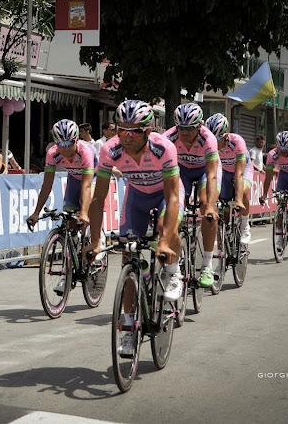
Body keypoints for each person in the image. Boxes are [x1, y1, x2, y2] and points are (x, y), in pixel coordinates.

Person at [83, 100, 184, 356]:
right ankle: (128, 330)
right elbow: (98, 197)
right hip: (137, 197)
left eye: (134, 131)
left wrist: (164, 240)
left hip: (165, 195)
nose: (127, 137)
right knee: (130, 257)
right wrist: (96, 241)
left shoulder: (164, 148)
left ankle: (172, 271)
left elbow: (173, 198)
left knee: (166, 227)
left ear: (148, 130)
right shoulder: (110, 150)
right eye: (121, 130)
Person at [26, 119, 98, 295]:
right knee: (69, 219)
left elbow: (86, 187)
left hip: (93, 176)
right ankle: (69, 271)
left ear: (76, 140)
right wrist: (36, 213)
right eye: (60, 144)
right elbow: (47, 185)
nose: (65, 148)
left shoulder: (85, 152)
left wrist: (84, 213)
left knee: (86, 209)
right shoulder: (52, 153)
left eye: (69, 143)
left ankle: (96, 244)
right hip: (74, 177)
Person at [163, 103, 221, 289]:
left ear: (199, 126)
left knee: (206, 205)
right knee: (173, 209)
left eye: (189, 128)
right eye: (181, 128)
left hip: (205, 172)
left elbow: (212, 174)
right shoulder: (169, 137)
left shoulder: (208, 139)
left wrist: (211, 205)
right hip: (182, 172)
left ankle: (206, 264)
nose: (184, 133)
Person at [205, 114, 253, 245]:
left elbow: (239, 174)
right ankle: (222, 254)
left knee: (242, 192)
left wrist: (238, 200)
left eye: (216, 140)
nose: (213, 144)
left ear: (225, 137)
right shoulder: (207, 143)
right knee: (223, 209)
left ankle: (244, 225)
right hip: (225, 170)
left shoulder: (237, 142)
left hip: (242, 169)